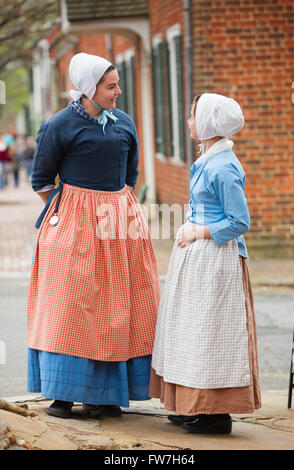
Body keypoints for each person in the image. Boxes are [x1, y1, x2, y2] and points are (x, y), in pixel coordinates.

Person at [27, 52, 160, 419]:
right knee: (71, 305)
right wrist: (69, 212)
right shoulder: (60, 125)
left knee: (117, 305)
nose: (118, 92)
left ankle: (106, 394)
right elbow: (41, 179)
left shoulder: (124, 123)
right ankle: (63, 394)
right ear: (89, 89)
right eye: (110, 86)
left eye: (117, 84)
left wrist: (117, 207)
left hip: (120, 226)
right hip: (74, 224)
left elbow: (130, 176)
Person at [150, 93, 261, 434]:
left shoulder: (223, 166)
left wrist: (198, 231)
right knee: (193, 332)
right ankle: (193, 404)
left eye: (193, 115)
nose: (188, 122)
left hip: (217, 261)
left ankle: (216, 413)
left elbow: (239, 221)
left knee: (212, 333)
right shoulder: (209, 159)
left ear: (210, 124)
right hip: (199, 259)